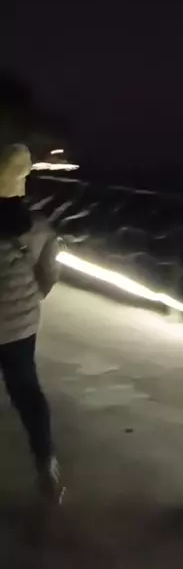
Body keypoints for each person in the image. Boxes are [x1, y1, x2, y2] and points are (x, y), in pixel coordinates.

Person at [0, 143, 63, 501]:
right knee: (27, 392)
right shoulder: (39, 228)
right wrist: (29, 300)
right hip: (20, 327)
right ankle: (46, 462)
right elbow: (48, 276)